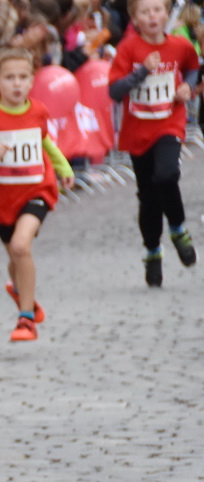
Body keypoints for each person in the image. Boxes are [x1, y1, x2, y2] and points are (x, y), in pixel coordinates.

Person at [0, 46, 74, 339]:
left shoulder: (38, 111)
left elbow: (45, 143)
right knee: (15, 258)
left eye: (23, 77)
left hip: (38, 189)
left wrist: (64, 168)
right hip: (1, 200)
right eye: (9, 78)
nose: (17, 84)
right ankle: (22, 292)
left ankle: (25, 319)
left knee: (22, 247)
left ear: (33, 81)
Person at [107, 0, 198, 286]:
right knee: (148, 196)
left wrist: (187, 87)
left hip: (169, 123)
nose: (153, 16)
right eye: (145, 12)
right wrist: (142, 71)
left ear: (167, 13)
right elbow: (114, 90)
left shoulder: (179, 46)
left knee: (167, 174)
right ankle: (152, 251)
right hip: (138, 131)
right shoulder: (128, 49)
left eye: (158, 10)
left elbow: (193, 67)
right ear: (134, 18)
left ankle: (178, 228)